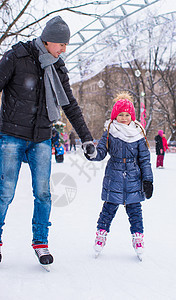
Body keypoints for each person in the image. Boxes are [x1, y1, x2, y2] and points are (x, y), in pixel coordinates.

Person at [0, 16, 96, 266]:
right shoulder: (17, 57)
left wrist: (86, 138)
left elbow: (70, 105)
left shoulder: (57, 67)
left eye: (65, 45)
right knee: (4, 192)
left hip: (42, 137)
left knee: (43, 193)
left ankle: (40, 242)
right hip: (11, 135)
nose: (64, 49)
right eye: (61, 45)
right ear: (49, 40)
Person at [85, 92, 153, 260]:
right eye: (120, 115)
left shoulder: (138, 134)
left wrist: (148, 180)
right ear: (115, 116)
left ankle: (138, 239)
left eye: (127, 114)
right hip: (114, 176)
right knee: (108, 210)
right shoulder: (110, 131)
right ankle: (101, 234)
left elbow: (144, 159)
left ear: (132, 116)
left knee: (135, 211)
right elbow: (101, 152)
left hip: (133, 177)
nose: (124, 118)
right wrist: (92, 153)